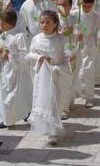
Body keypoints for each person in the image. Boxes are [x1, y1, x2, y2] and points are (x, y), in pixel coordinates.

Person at [25, 10, 73, 145]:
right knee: (44, 101)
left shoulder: (61, 40)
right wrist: (40, 57)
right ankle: (48, 129)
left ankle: (53, 130)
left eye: (47, 22)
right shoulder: (37, 39)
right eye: (42, 22)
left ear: (55, 24)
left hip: (57, 75)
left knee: (54, 101)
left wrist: (63, 63)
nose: (44, 25)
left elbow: (66, 58)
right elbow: (30, 54)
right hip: (42, 77)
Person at [0, 9, 32, 129]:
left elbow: (25, 54)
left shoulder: (20, 36)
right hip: (4, 70)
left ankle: (25, 113)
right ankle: (7, 119)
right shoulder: (3, 35)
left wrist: (9, 56)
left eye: (1, 22)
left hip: (16, 71)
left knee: (14, 96)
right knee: (3, 95)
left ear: (7, 23)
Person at [0, 0, 26, 111]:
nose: (4, 5)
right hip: (0, 47)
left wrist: (10, 39)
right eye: (1, 3)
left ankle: (13, 100)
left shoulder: (18, 16)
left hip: (12, 49)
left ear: (11, 4)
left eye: (7, 3)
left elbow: (20, 30)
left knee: (11, 77)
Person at [71, 0, 100, 108]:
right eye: (84, 6)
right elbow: (69, 27)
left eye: (89, 6)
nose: (86, 9)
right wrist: (76, 34)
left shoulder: (96, 15)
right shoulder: (75, 14)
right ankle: (77, 92)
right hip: (77, 45)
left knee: (88, 70)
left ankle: (90, 96)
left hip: (90, 45)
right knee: (76, 71)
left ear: (93, 5)